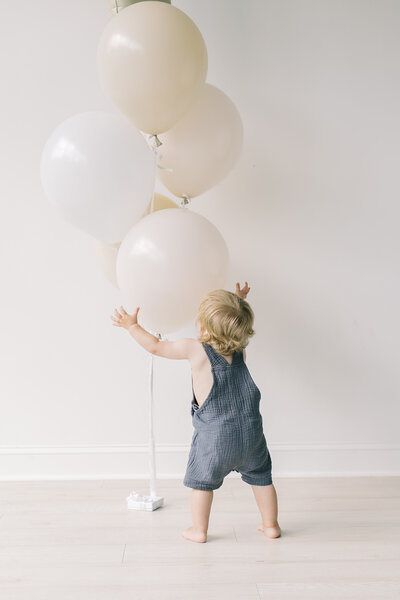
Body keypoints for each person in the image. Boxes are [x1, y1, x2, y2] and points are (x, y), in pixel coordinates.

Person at [110, 281, 281, 543]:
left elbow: (156, 346)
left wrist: (132, 326)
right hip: (251, 435)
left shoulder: (195, 349)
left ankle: (199, 530)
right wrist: (239, 301)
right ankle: (271, 525)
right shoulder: (239, 351)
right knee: (261, 478)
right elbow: (232, 323)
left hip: (215, 440)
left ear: (201, 327)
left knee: (202, 484)